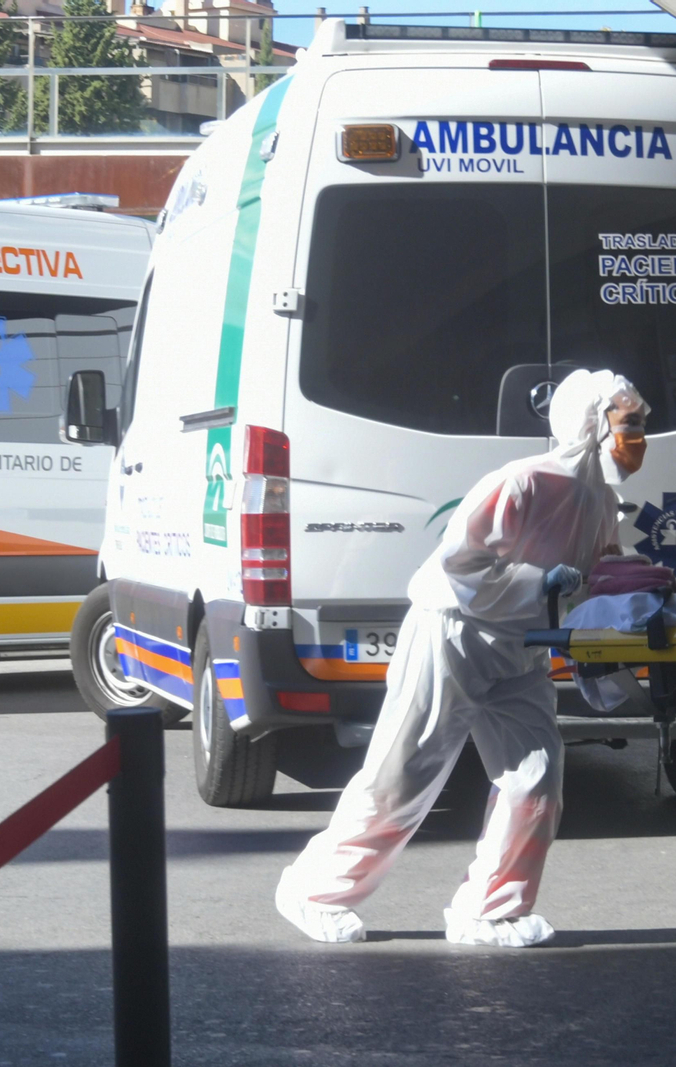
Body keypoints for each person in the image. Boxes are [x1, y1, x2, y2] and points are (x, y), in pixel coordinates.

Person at [275, 369, 650, 947]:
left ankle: (488, 909)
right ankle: (314, 891)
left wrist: (627, 583)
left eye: (641, 424)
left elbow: (596, 570)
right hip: (452, 637)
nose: (640, 438)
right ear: (592, 426)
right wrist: (536, 582)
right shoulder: (521, 484)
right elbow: (459, 564)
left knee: (537, 779)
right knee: (402, 778)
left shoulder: (600, 499)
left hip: (519, 649)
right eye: (631, 424)